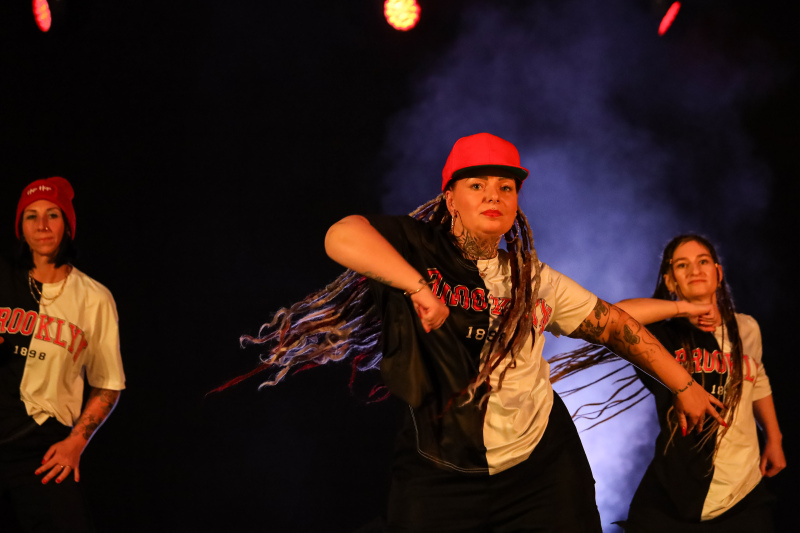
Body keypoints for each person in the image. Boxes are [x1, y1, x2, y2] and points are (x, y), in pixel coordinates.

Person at [227, 133, 724, 532]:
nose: (494, 195)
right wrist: (417, 287)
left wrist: (684, 385)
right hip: (440, 471)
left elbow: (614, 325)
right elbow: (342, 234)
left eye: (506, 187)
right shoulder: (417, 248)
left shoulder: (533, 278)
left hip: (541, 467)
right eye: (478, 184)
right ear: (450, 198)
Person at [551, 234, 785, 532]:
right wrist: (684, 309)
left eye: (703, 261)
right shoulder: (661, 334)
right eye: (682, 265)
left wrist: (774, 438)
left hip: (744, 490)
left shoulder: (747, 328)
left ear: (718, 272)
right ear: (670, 282)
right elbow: (617, 317)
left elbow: (758, 381)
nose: (695, 270)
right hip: (678, 488)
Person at [0, 177, 125, 532]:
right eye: (31, 216)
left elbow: (108, 384)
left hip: (42, 450)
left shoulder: (94, 298)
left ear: (67, 225)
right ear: (21, 227)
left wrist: (75, 443)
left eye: (52, 215)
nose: (42, 225)